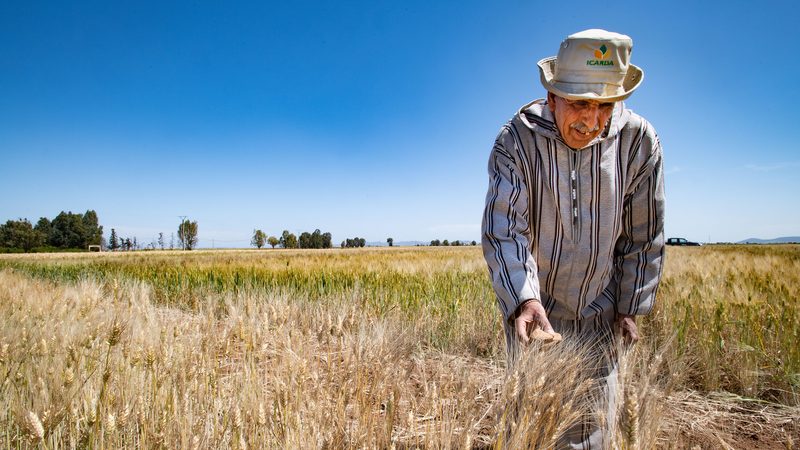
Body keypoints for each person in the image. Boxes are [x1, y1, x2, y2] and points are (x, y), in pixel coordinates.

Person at [481, 29, 665, 448]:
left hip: (603, 310)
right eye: (580, 103)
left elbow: (644, 233)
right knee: (531, 428)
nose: (591, 121)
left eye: (605, 106)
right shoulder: (517, 140)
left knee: (597, 429)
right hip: (536, 315)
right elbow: (505, 228)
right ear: (552, 98)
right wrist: (525, 300)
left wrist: (629, 306)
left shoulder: (639, 142)